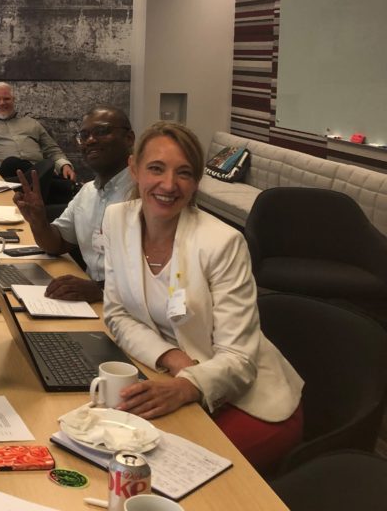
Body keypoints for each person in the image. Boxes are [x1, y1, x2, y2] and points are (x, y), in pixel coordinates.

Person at [101, 122, 303, 475]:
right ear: (134, 168)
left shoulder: (222, 243)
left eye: (184, 173)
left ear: (196, 181)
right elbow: (117, 314)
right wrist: (174, 359)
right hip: (171, 377)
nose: (169, 185)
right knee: (111, 450)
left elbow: (239, 360)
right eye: (156, 168)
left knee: (158, 473)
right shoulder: (117, 220)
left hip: (250, 399)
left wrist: (187, 386)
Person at [13, 106, 135, 302]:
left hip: (131, 308)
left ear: (129, 138)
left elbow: (160, 275)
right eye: (84, 136)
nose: (91, 140)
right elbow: (57, 244)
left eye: (102, 131)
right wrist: (38, 221)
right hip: (94, 302)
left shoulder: (146, 193)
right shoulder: (87, 192)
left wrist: (100, 290)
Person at [0, 82, 77, 195]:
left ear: (13, 100)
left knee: (45, 165)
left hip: (37, 171)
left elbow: (52, 150)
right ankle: (66, 187)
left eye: (6, 99)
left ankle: (46, 183)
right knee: (12, 162)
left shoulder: (32, 123)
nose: (2, 103)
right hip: (5, 176)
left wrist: (64, 165)